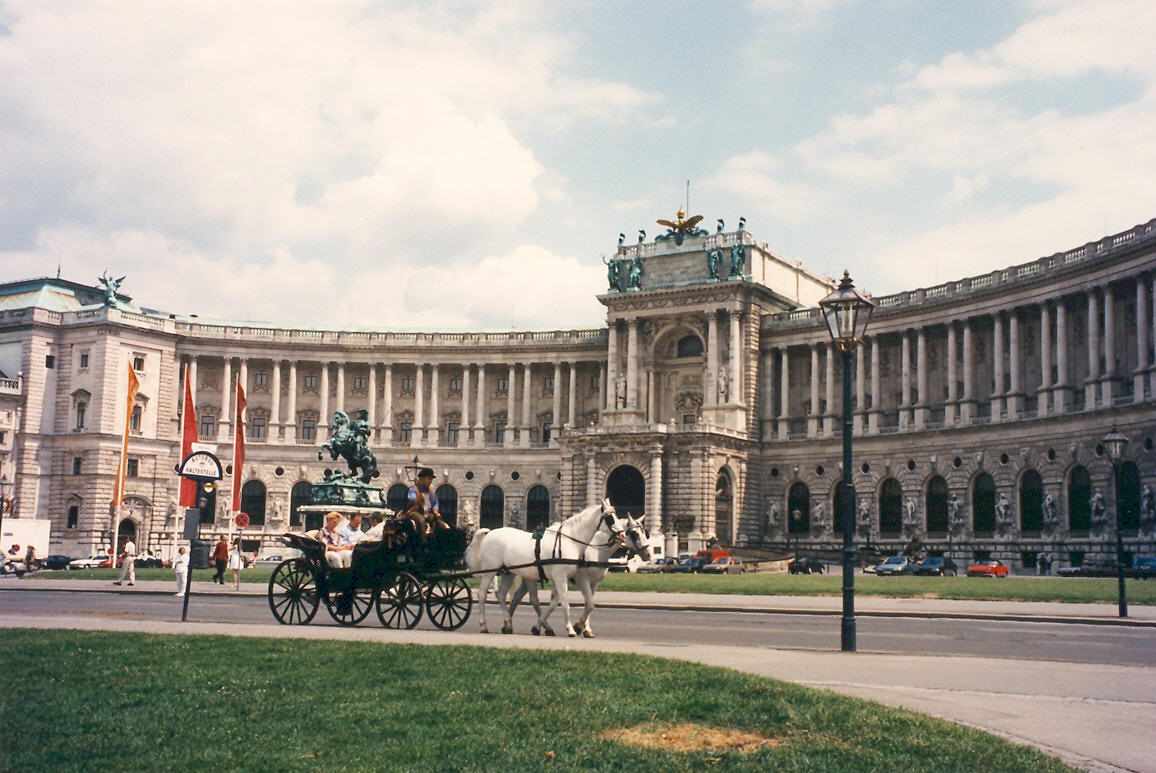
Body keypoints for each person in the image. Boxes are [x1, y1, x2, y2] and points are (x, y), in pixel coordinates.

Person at [406, 468, 448, 540]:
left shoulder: (431, 490)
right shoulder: (413, 489)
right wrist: (419, 499)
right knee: (421, 521)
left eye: (431, 479)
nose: (430, 481)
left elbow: (435, 503)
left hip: (428, 512)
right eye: (429, 479)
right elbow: (411, 500)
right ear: (422, 479)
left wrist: (435, 511)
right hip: (415, 511)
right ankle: (422, 543)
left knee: (439, 523)